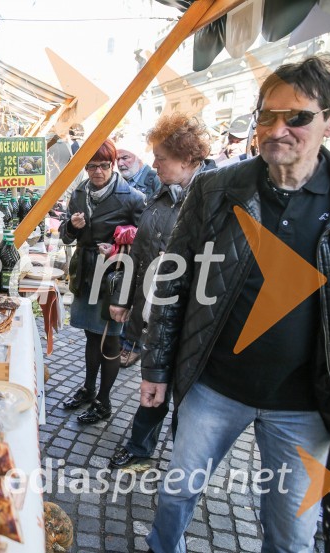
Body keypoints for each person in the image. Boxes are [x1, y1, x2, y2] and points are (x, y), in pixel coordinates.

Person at [140, 55, 330, 552]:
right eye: (265, 116)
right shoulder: (216, 189)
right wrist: (155, 367)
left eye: (296, 117)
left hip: (305, 408)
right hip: (214, 388)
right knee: (175, 500)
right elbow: (171, 280)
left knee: (293, 534)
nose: (277, 129)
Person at [105, 113, 212, 470]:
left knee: (188, 396)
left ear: (188, 159)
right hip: (154, 311)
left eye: (161, 158)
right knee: (152, 380)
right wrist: (123, 300)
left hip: (195, 317)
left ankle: (186, 461)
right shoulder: (160, 196)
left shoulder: (213, 200)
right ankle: (139, 448)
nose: (154, 164)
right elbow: (138, 253)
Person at [59, 139, 144, 423]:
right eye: (92, 166)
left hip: (112, 278)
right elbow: (64, 234)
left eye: (103, 165)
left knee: (109, 340)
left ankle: (104, 402)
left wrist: (119, 245)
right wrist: (71, 226)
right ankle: (88, 388)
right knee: (90, 336)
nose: (98, 171)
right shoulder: (79, 192)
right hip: (84, 272)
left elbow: (144, 242)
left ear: (114, 164)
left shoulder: (131, 197)